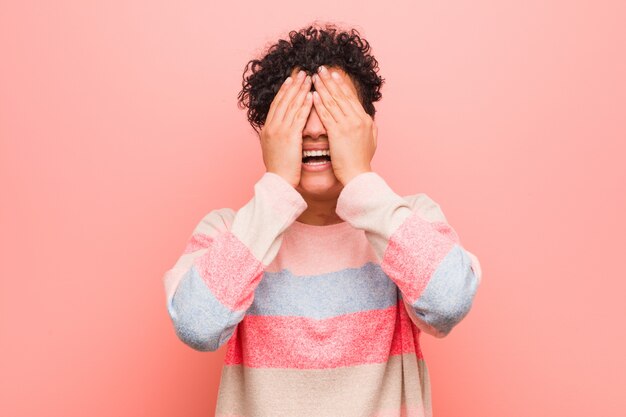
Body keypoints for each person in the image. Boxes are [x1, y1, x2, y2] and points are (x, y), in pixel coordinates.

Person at [162, 23, 482, 417]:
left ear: (366, 129)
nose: (314, 130)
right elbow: (198, 325)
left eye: (333, 113)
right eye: (297, 116)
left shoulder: (404, 222)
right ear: (269, 134)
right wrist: (276, 186)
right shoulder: (231, 234)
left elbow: (449, 301)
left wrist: (363, 181)